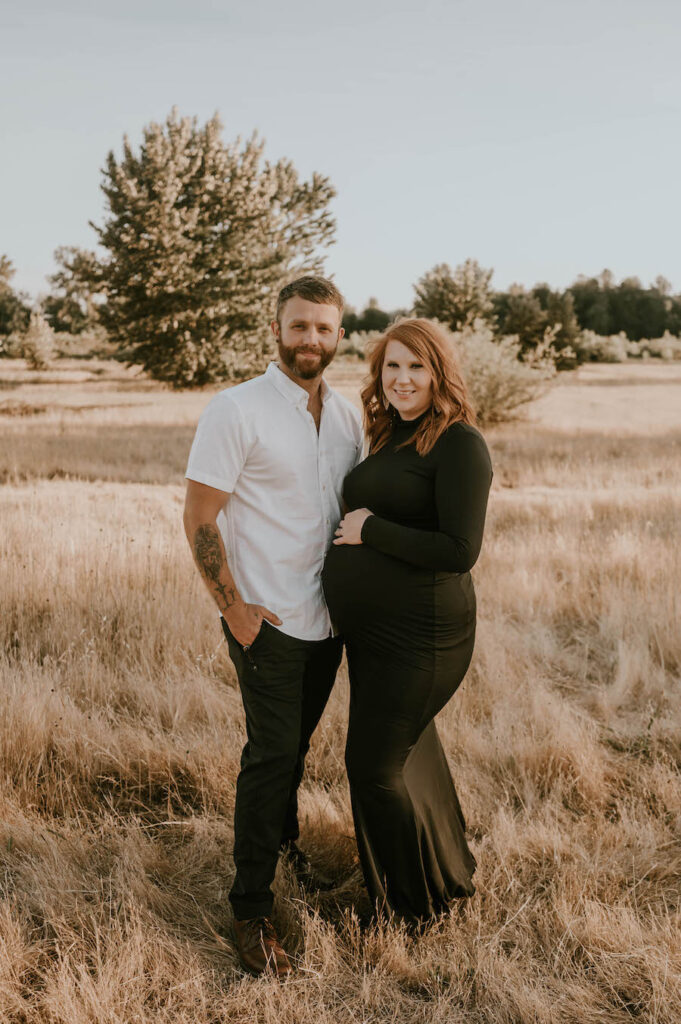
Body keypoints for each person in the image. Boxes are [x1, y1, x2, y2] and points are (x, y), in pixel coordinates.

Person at [183, 276, 363, 978]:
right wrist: (232, 607)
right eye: (298, 326)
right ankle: (250, 905)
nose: (310, 339)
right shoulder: (236, 411)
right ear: (276, 329)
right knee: (270, 756)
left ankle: (283, 848)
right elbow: (199, 517)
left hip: (328, 621)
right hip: (268, 619)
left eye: (323, 328)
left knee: (295, 749)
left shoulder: (346, 416)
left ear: (338, 334)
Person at [322, 317, 492, 927]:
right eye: (392, 366)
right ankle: (444, 873)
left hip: (424, 634)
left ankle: (411, 911)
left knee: (373, 765)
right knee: (409, 753)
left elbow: (458, 550)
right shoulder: (391, 433)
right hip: (375, 634)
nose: (402, 378)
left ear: (438, 371)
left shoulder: (460, 443)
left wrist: (371, 530)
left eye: (415, 366)